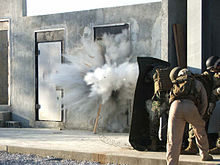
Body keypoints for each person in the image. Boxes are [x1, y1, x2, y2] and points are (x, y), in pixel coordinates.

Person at [166, 68, 213, 165]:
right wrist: (201, 115)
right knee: (199, 130)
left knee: (173, 139)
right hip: (190, 106)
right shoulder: (196, 82)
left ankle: (171, 162)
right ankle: (204, 155)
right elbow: (204, 101)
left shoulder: (176, 83)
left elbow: (169, 98)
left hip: (175, 107)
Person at [182, 56, 220, 155]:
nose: (213, 71)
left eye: (213, 69)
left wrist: (216, 92)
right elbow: (213, 92)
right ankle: (193, 145)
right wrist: (212, 101)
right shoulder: (215, 76)